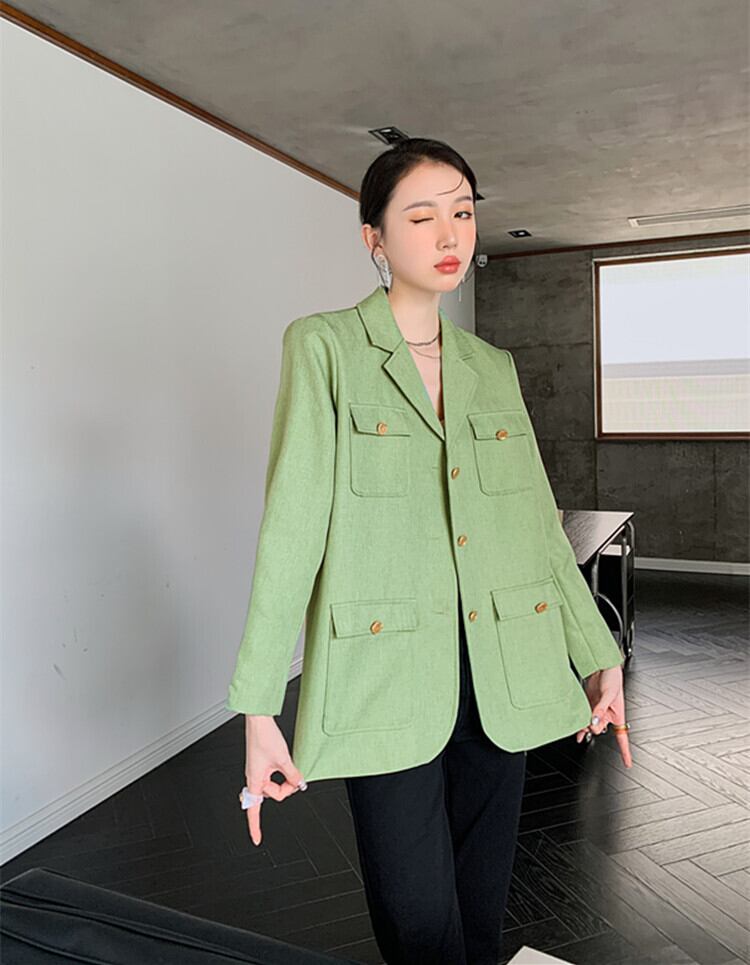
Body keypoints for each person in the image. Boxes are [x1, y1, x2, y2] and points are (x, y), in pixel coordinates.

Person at [228, 138, 632, 965]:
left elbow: (535, 528)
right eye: (421, 216)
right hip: (385, 678)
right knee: (417, 920)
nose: (450, 234)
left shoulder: (493, 367)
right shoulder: (325, 348)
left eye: (463, 212)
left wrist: (599, 655)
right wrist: (260, 706)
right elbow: (292, 531)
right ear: (374, 237)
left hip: (502, 673)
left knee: (481, 912)